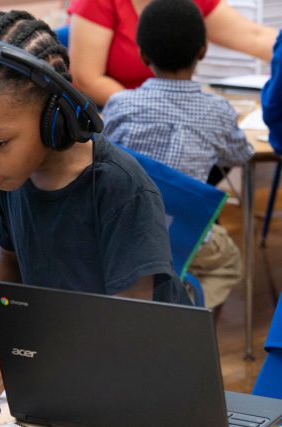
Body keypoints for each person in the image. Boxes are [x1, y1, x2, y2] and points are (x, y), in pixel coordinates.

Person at [0, 9, 191, 414]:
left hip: (149, 381)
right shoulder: (9, 179)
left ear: (55, 117)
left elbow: (127, 321)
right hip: (66, 375)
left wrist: (17, 353)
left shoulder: (120, 189)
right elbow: (10, 261)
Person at [101, 0, 251, 313]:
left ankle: (158, 303)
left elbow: (102, 155)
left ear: (142, 54)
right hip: (187, 237)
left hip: (126, 237)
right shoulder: (217, 110)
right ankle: (186, 314)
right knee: (228, 261)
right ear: (203, 50)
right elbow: (240, 154)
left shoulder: (119, 105)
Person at [68, 0, 278, 107]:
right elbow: (87, 78)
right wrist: (150, 108)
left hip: (174, 108)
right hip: (115, 116)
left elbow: (255, 36)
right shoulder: (98, 3)